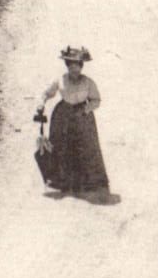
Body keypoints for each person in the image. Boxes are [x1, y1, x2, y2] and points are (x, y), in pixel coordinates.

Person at [34, 46, 110, 195]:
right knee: (62, 145)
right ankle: (63, 180)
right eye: (71, 65)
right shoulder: (60, 80)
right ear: (67, 66)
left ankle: (87, 182)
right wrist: (41, 104)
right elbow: (46, 93)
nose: (74, 69)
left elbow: (96, 100)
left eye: (77, 66)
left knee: (85, 146)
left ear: (81, 66)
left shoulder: (88, 83)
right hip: (63, 116)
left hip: (83, 118)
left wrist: (85, 110)